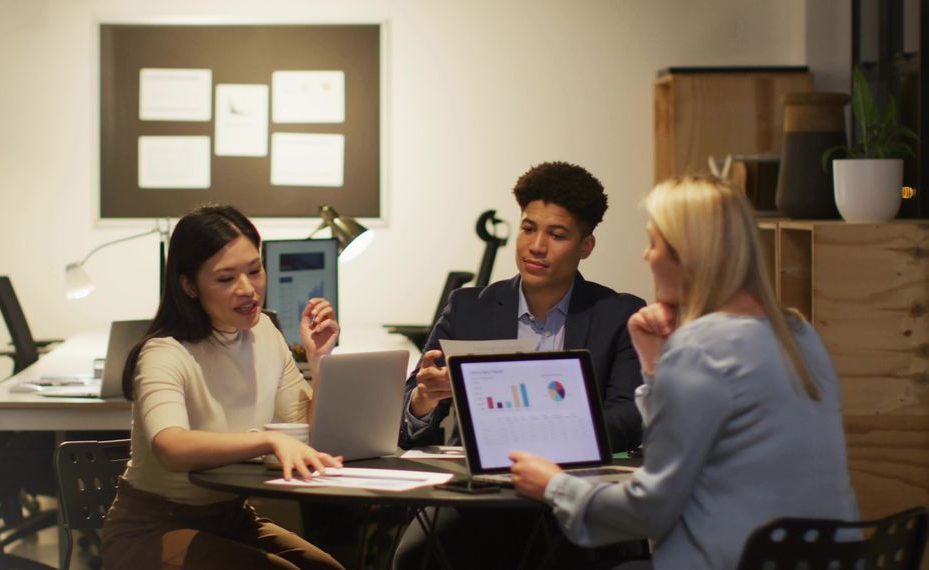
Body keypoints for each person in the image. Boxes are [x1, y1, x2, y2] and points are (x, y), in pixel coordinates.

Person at [510, 175, 859, 570]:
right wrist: (656, 368)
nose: (647, 256)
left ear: (689, 256)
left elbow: (650, 509)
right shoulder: (799, 334)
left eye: (654, 243)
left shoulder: (700, 350)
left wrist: (554, 486)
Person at [393, 161, 646, 569]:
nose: (536, 246)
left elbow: (628, 417)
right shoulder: (468, 309)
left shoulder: (619, 315)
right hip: (483, 497)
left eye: (557, 234)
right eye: (529, 228)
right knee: (414, 557)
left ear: (586, 246)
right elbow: (409, 422)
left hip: (573, 490)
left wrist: (546, 444)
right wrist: (423, 398)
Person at [101, 204, 344, 570]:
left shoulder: (265, 332)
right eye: (226, 279)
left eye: (254, 270)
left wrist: (318, 360)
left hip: (229, 518)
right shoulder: (165, 352)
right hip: (151, 529)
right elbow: (172, 447)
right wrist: (268, 439)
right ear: (189, 286)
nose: (248, 289)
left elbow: (307, 431)